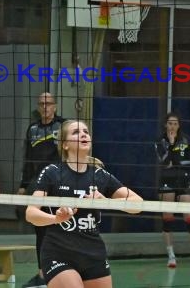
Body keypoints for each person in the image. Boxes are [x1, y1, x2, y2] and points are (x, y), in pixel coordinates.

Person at [25, 119, 143, 288]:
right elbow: (31, 214)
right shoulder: (52, 173)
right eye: (76, 132)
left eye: (86, 132)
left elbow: (138, 204)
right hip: (59, 252)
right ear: (65, 145)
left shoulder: (100, 175)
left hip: (93, 254)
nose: (83, 134)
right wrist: (55, 218)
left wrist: (107, 202)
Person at [18, 92, 64, 288]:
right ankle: (42, 274)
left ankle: (61, 272)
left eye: (49, 103)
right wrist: (22, 185)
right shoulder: (33, 129)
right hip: (38, 186)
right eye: (41, 104)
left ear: (55, 106)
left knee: (60, 229)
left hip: (59, 184)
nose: (45, 107)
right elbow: (28, 160)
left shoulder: (64, 126)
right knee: (40, 230)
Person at [154, 112, 190, 268]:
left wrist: (174, 159)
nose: (172, 126)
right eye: (170, 123)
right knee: (168, 219)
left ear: (179, 125)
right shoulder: (160, 141)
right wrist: (171, 144)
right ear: (165, 125)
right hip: (166, 181)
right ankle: (171, 256)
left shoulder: (187, 139)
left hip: (183, 180)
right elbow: (163, 161)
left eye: (175, 123)